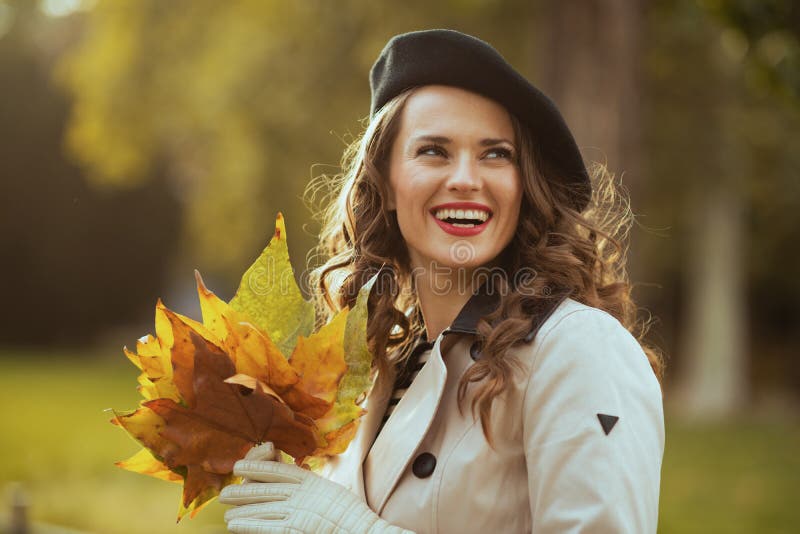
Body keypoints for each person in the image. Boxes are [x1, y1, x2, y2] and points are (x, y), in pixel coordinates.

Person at [219, 29, 665, 533]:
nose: (465, 179)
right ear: (384, 184)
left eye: (496, 154)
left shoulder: (580, 351)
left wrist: (351, 529)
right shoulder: (379, 365)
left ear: (524, 186)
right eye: (434, 150)